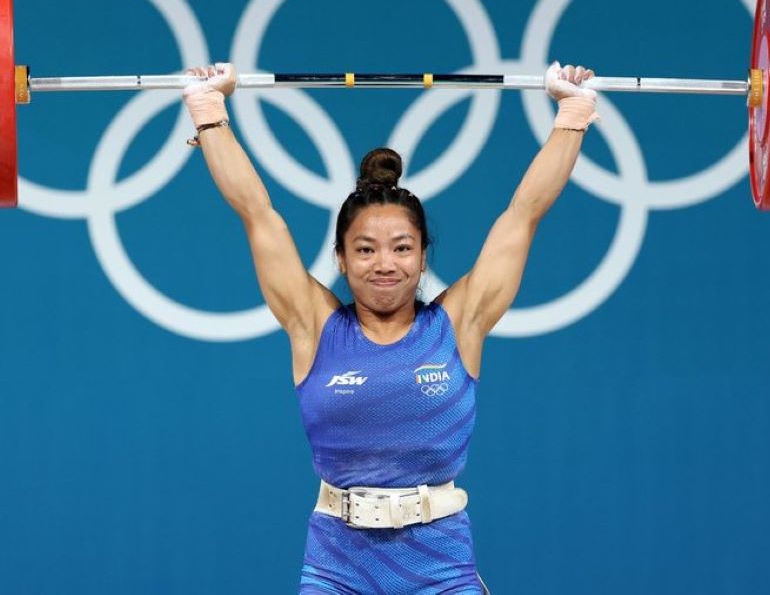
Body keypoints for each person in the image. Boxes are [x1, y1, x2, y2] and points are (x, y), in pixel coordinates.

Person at [182, 61, 598, 595]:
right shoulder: (313, 325)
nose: (385, 263)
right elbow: (257, 212)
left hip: (440, 566)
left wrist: (573, 113)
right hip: (337, 566)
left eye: (402, 248)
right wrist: (209, 110)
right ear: (339, 258)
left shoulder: (460, 322)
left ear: (423, 257)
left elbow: (524, 213)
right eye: (365, 249)